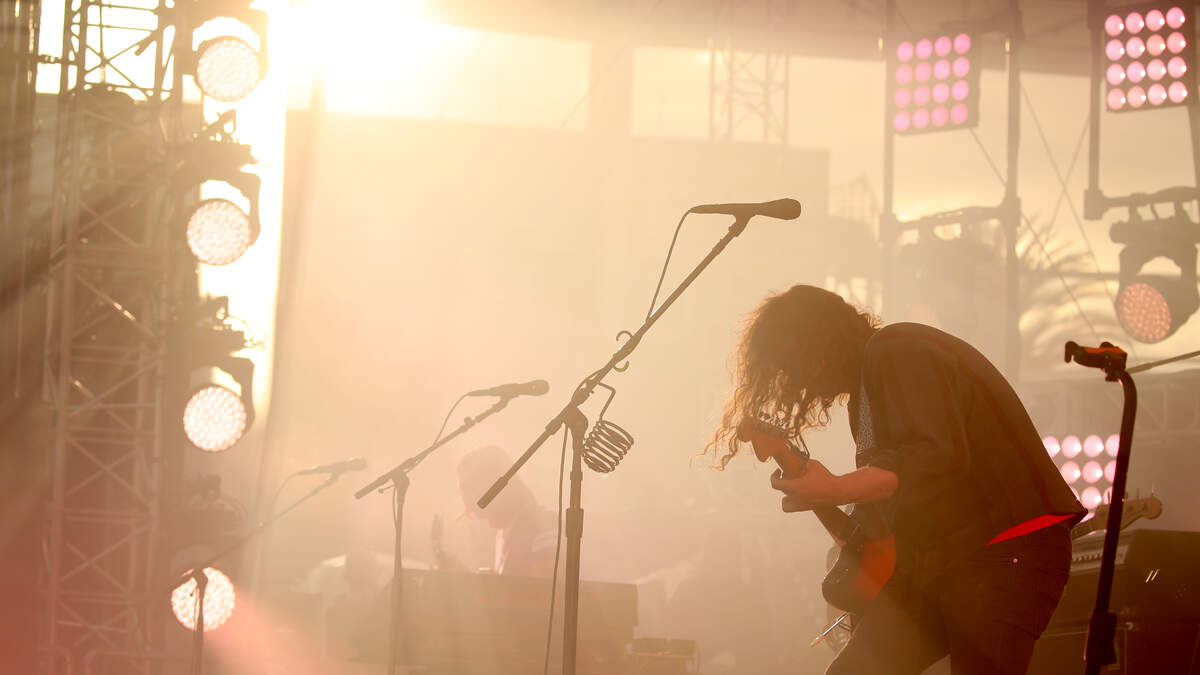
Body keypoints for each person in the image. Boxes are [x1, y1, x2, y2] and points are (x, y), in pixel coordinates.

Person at [706, 285, 1086, 675]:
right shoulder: (865, 396)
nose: (799, 383)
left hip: (1006, 547)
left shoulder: (898, 348)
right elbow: (875, 529)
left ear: (819, 346)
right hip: (944, 562)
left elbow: (937, 455)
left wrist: (835, 487)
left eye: (797, 365)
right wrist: (822, 497)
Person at [455, 444, 558, 577]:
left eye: (468, 486)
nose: (464, 496)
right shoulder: (502, 535)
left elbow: (544, 586)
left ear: (496, 484)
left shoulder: (544, 524)